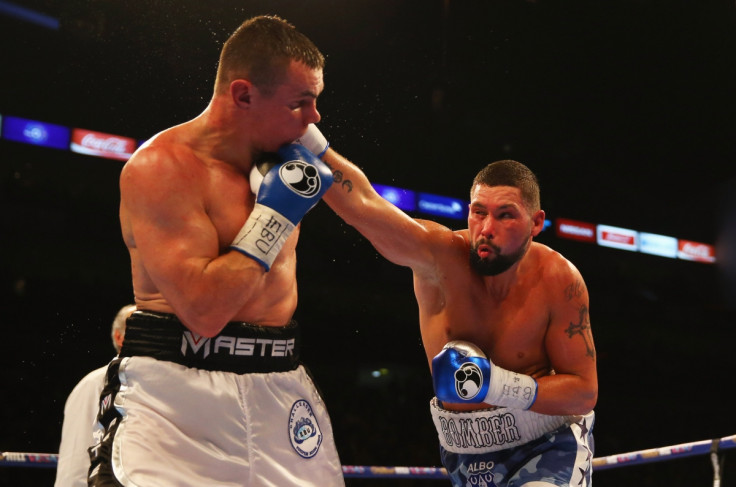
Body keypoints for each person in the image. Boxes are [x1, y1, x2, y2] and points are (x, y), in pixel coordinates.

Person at [88, 16, 344, 486]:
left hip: (279, 388)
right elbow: (204, 312)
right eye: (300, 103)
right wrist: (276, 216)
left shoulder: (291, 154)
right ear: (244, 95)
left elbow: (365, 202)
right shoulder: (164, 167)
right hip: (177, 398)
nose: (314, 118)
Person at [291, 126, 598, 486]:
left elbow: (583, 392)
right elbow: (365, 205)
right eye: (479, 212)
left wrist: (495, 386)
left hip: (546, 445)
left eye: (505, 215)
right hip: (463, 451)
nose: (486, 228)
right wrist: (307, 139)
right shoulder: (439, 259)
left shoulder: (558, 279)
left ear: (536, 223)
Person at [55, 304, 135, 487]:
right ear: (119, 337)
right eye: (138, 328)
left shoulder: (161, 387)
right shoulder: (95, 384)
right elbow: (75, 463)